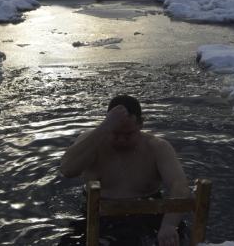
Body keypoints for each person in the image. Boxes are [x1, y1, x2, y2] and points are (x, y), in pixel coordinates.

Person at [60, 95, 191, 246]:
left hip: (147, 216)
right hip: (99, 216)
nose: (121, 139)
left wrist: (169, 224)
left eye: (128, 133)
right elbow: (67, 170)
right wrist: (105, 127)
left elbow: (180, 187)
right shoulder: (93, 142)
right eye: (115, 133)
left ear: (141, 124)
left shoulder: (158, 147)